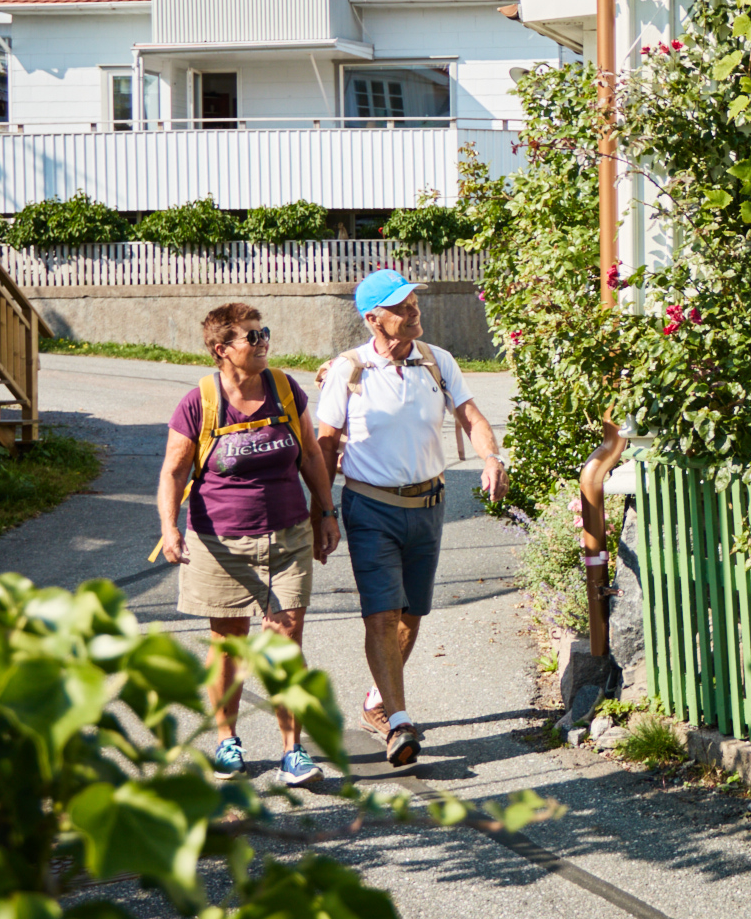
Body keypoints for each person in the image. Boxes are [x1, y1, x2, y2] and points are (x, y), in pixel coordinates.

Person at [318, 268, 503, 768]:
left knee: (410, 614)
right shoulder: (348, 371)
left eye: (413, 303)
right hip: (370, 506)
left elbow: (470, 415)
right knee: (380, 612)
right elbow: (326, 442)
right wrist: (322, 510)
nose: (413, 311)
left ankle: (377, 703)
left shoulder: (437, 361)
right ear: (372, 318)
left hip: (428, 507)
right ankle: (399, 722)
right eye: (401, 307)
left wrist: (491, 458)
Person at [155, 302, 339, 786]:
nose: (262, 343)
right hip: (220, 541)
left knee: (285, 642)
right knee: (229, 645)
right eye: (251, 337)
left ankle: (292, 751)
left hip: (287, 535)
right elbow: (174, 470)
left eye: (264, 334)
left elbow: (311, 452)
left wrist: (325, 511)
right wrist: (168, 527)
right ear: (222, 350)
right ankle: (227, 742)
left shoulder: (283, 387)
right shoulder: (199, 402)